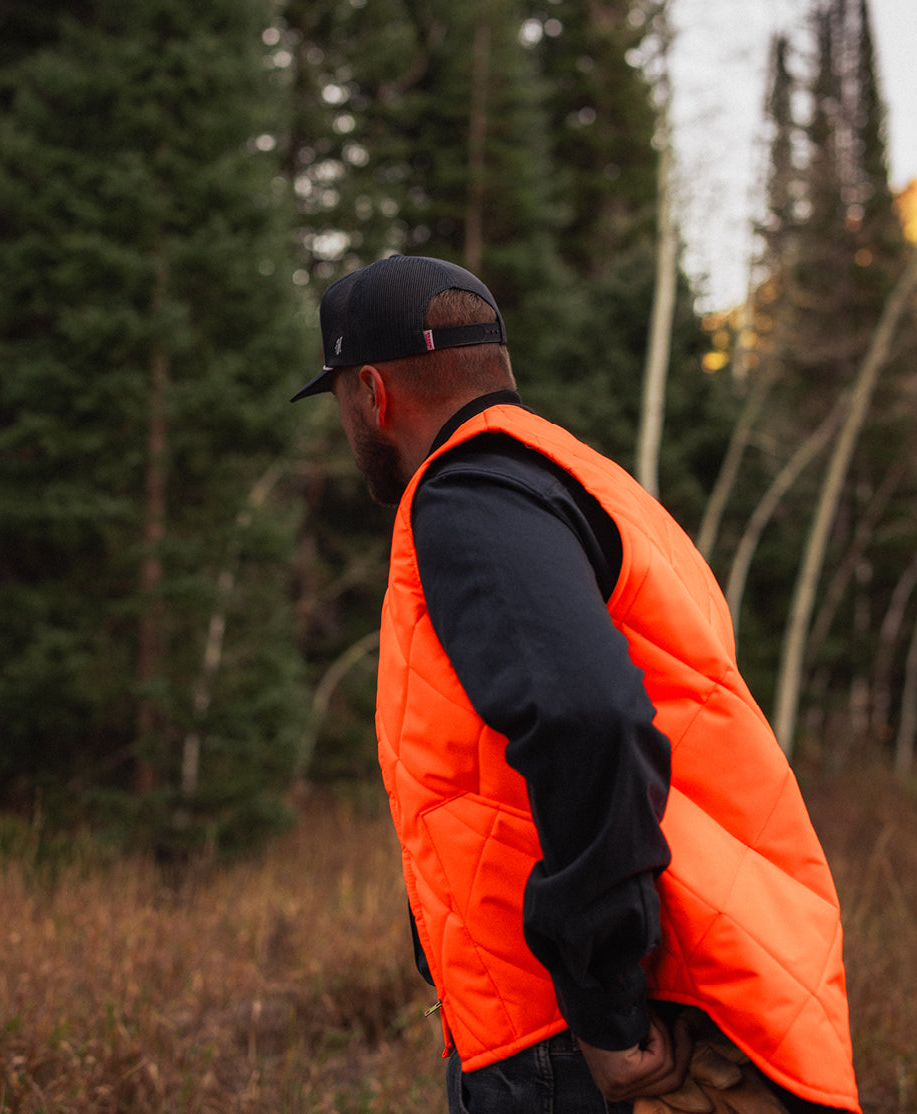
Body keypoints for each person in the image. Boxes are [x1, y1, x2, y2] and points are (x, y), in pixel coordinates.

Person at [292, 254, 861, 1114]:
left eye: (340, 399)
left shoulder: (466, 492)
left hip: (568, 1041)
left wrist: (605, 1009)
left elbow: (588, 717)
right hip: (704, 975)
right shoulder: (590, 485)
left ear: (373, 392)